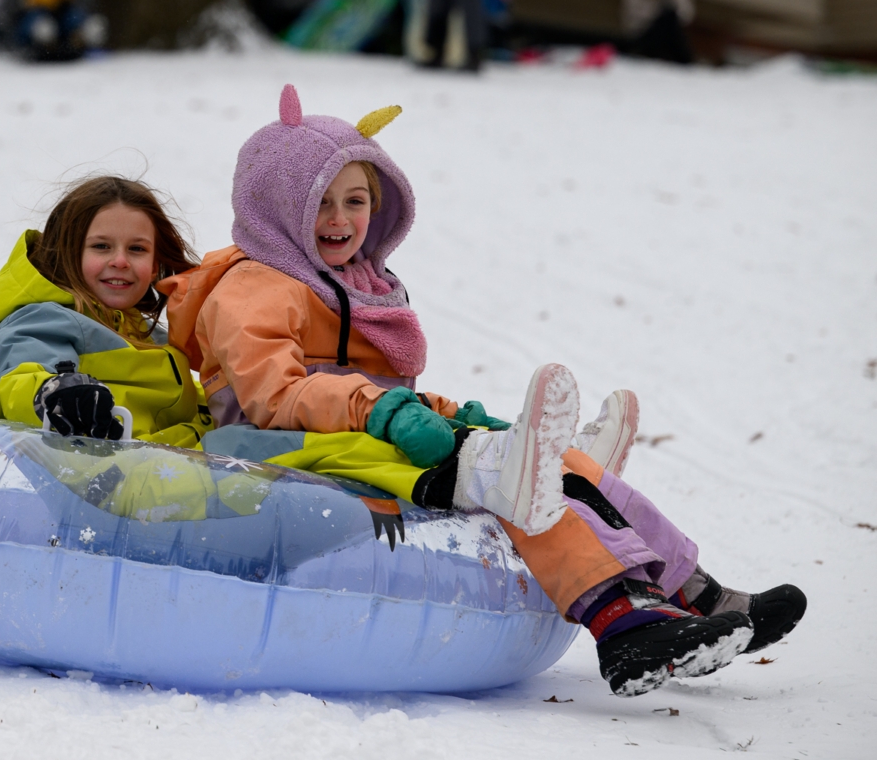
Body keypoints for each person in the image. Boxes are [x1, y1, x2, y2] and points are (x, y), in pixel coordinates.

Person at [160, 85, 806, 697]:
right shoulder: (256, 286)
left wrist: (455, 413)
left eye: (355, 200)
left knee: (558, 467)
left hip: (367, 430)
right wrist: (380, 409)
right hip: (289, 448)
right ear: (276, 205)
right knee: (513, 486)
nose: (340, 220)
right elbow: (276, 396)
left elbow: (381, 388)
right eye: (319, 203)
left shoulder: (357, 282)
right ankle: (623, 626)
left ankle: (697, 593)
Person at [0, 175, 213, 448]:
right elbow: (20, 377)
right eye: (101, 246)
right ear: (68, 254)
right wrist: (56, 393)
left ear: (155, 265)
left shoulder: (151, 336)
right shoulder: (46, 320)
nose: (120, 261)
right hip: (118, 473)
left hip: (176, 462)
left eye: (137, 249)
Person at [622, 0, 694, 65]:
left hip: (667, 28)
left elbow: (685, 13)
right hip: (642, 28)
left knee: (669, 17)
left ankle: (684, 61)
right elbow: (632, 6)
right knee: (665, 18)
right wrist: (656, 13)